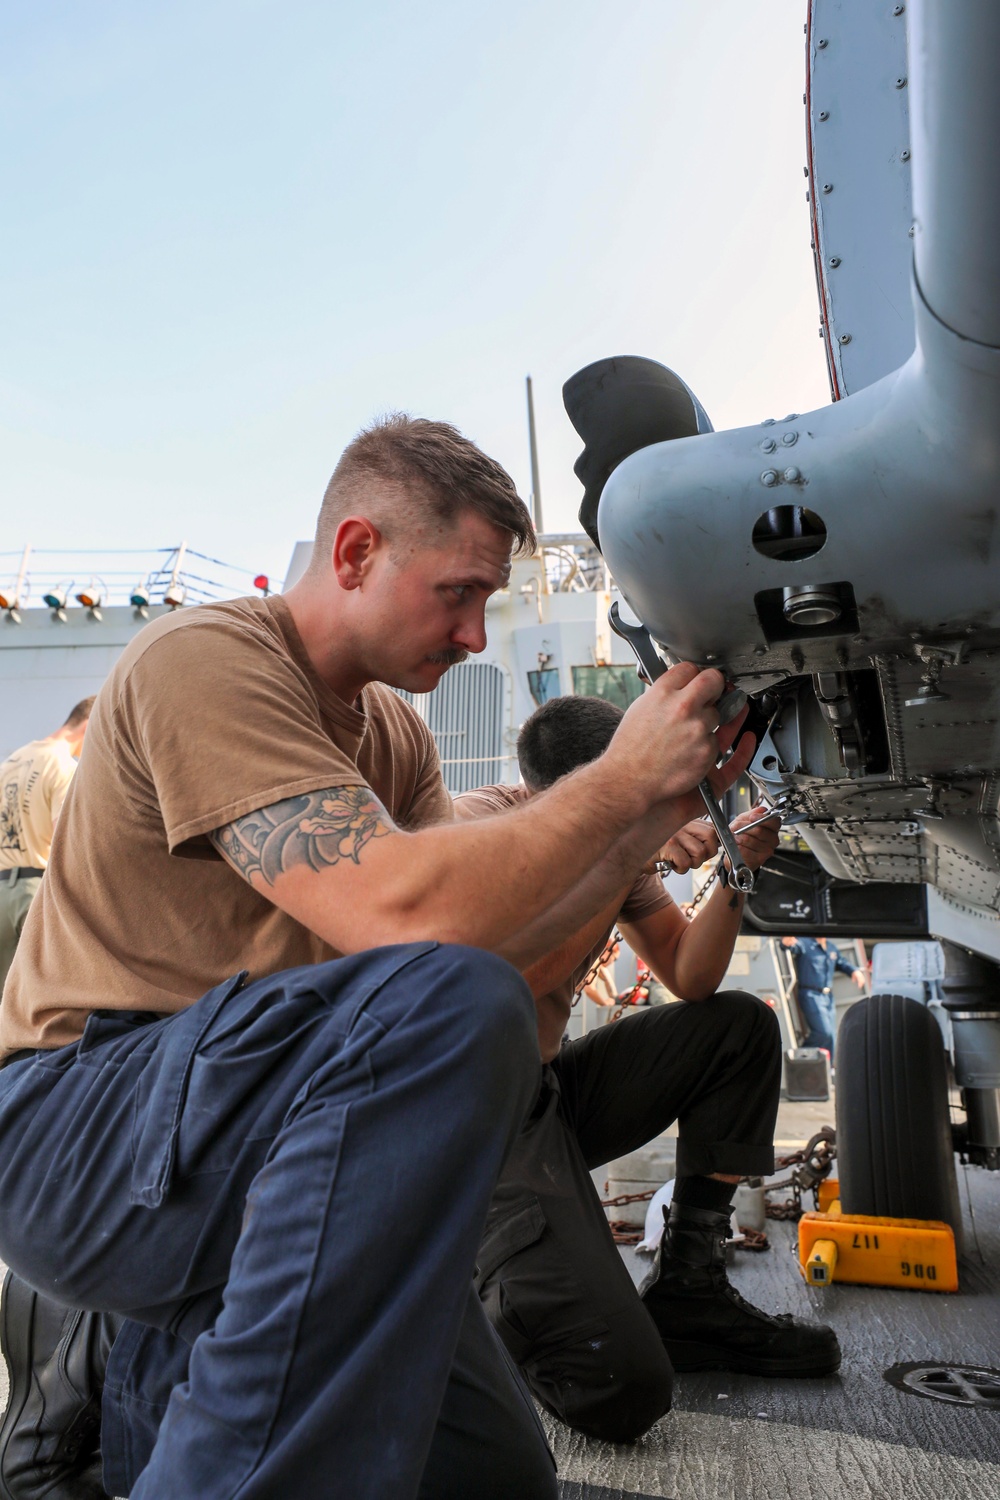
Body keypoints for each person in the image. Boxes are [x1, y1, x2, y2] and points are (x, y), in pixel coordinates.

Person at [0, 415, 759, 1500]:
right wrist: (617, 780)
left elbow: (496, 959)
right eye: (459, 592)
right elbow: (410, 925)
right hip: (77, 1130)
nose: (473, 635)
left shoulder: (392, 738)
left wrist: (646, 823)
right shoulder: (206, 658)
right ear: (356, 553)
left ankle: (153, 1414)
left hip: (263, 1134)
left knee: (498, 1478)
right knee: (443, 1001)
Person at [455, 697, 840, 1444]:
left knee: (736, 1029)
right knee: (617, 1388)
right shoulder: (474, 826)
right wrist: (625, 851)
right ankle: (474, 1294)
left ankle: (689, 1290)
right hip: (474, 1115)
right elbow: (491, 990)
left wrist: (734, 870)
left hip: (546, 1092)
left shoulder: (616, 849)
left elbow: (689, 977)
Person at [0, 698, 95, 993]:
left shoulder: (11, 763)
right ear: (89, 724)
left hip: (2, 891)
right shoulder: (63, 767)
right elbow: (64, 843)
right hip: (34, 894)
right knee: (40, 1000)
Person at [781, 935, 866, 1062]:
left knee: (832, 1036)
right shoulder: (805, 943)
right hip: (811, 994)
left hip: (827, 997)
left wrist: (854, 971)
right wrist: (785, 943)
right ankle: (799, 1060)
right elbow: (793, 946)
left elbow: (841, 962)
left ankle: (827, 1067)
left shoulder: (831, 947)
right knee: (824, 1033)